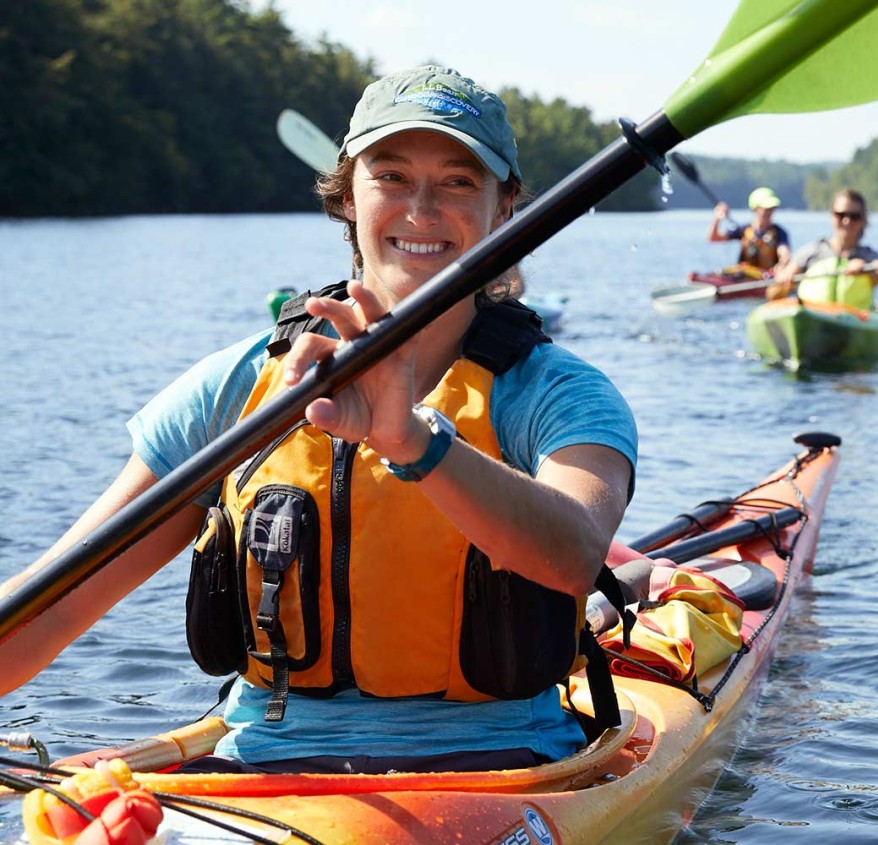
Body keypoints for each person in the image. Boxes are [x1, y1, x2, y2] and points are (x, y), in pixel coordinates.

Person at [0, 66, 638, 774]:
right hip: (265, 770)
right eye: (390, 176)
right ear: (347, 198)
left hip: (502, 761)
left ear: (504, 206)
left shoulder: (558, 394)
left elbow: (576, 552)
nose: (421, 209)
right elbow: (51, 606)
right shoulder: (239, 388)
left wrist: (414, 442)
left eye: (458, 181)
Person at [767, 189, 878, 309]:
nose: (846, 221)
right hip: (813, 317)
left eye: (854, 216)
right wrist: (781, 283)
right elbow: (772, 294)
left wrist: (867, 270)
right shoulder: (811, 252)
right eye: (840, 215)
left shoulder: (870, 257)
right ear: (832, 216)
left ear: (863, 220)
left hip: (855, 318)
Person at [708, 187, 791, 275]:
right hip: (745, 276)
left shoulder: (779, 232)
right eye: (765, 209)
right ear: (755, 209)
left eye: (771, 209)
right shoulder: (743, 230)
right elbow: (713, 238)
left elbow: (784, 253)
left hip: (766, 278)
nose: (769, 212)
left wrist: (781, 265)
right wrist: (717, 219)